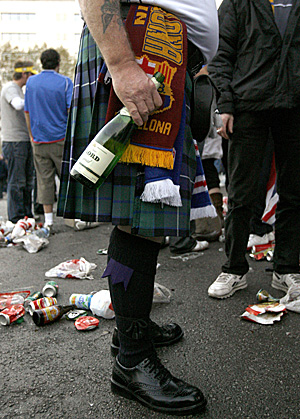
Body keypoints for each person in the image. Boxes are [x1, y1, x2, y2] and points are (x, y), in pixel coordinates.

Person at [58, 0, 218, 414]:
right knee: (140, 218)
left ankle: (134, 324)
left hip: (164, 52)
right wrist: (123, 65)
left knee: (150, 215)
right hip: (138, 47)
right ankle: (131, 359)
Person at [207, 0, 300, 299]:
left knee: (295, 193)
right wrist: (226, 104)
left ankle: (287, 269)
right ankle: (234, 269)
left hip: (294, 106)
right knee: (242, 194)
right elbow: (221, 54)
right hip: (248, 106)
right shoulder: (237, 2)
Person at [24, 49, 73, 229]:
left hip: (38, 140)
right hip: (60, 139)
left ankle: (49, 220)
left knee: (44, 180)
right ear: (58, 63)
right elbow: (71, 111)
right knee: (67, 179)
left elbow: (27, 111)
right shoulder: (66, 83)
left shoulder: (31, 82)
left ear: (41, 62)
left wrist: (31, 135)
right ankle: (73, 217)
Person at [0, 61, 36, 223]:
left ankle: (26, 215)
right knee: (17, 181)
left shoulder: (19, 90)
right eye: (30, 75)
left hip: (22, 140)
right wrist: (35, 96)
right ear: (24, 74)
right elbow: (18, 105)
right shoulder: (10, 88)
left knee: (28, 180)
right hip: (15, 142)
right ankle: (16, 217)